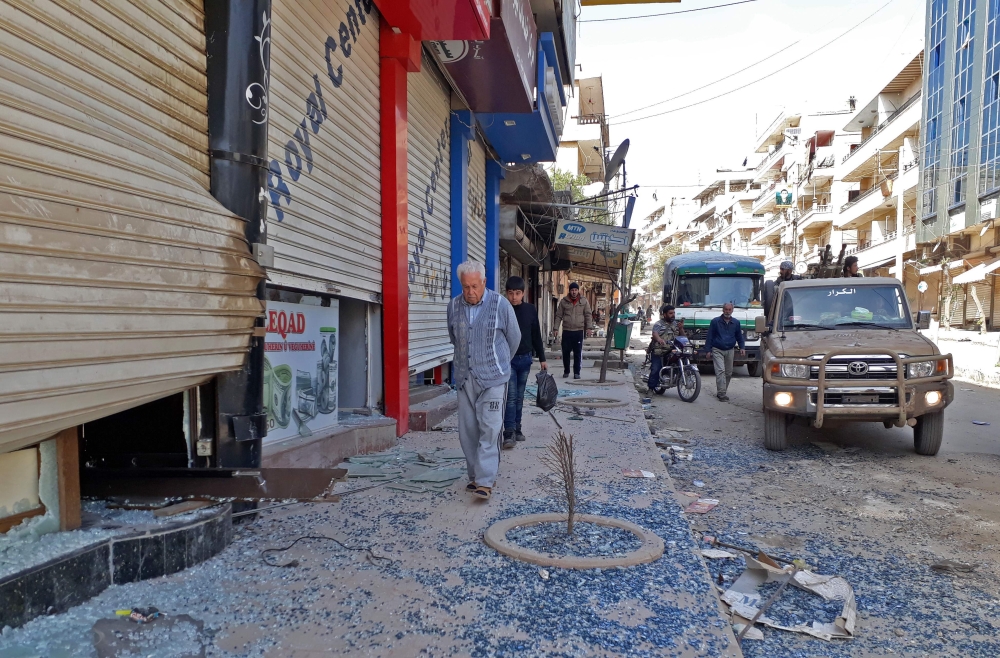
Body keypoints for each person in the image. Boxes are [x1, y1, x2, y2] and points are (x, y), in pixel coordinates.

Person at [447, 261, 521, 500]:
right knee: (467, 431)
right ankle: (474, 476)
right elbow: (454, 338)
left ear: (484, 282)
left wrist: (498, 364)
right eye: (466, 286)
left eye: (475, 286)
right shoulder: (453, 306)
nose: (470, 291)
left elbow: (514, 338)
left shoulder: (501, 304)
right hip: (464, 377)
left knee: (490, 429)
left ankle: (485, 481)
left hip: (493, 380)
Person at [503, 276, 547, 449]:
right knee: (511, 397)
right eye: (511, 293)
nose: (514, 297)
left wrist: (542, 358)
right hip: (509, 360)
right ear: (506, 293)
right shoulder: (503, 309)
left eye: (518, 293)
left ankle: (518, 429)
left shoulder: (530, 310)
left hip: (526, 359)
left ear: (524, 293)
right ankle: (509, 432)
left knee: (520, 397)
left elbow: (536, 334)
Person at [552, 282, 593, 379]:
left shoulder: (583, 301)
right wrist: (556, 328)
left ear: (578, 291)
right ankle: (566, 371)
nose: (574, 292)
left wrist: (589, 328)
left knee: (577, 353)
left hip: (578, 331)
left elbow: (588, 315)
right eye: (572, 290)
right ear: (569, 291)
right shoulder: (564, 301)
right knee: (565, 352)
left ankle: (576, 372)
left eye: (575, 290)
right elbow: (558, 316)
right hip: (567, 331)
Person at [705, 302, 745, 402]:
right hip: (717, 349)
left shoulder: (736, 323)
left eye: (729, 310)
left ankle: (723, 391)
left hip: (730, 350)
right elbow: (709, 336)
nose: (727, 311)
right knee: (720, 371)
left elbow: (739, 336)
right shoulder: (715, 322)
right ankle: (721, 393)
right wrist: (708, 350)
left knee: (728, 372)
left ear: (732, 310)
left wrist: (742, 347)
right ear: (723, 310)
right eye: (726, 309)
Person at [647, 305, 686, 393]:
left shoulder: (676, 324)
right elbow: (655, 333)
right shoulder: (658, 324)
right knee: (656, 369)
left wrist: (681, 328)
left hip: (671, 351)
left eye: (674, 313)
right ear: (664, 315)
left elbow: (683, 337)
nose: (673, 315)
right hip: (659, 351)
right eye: (670, 313)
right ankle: (650, 389)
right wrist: (659, 339)